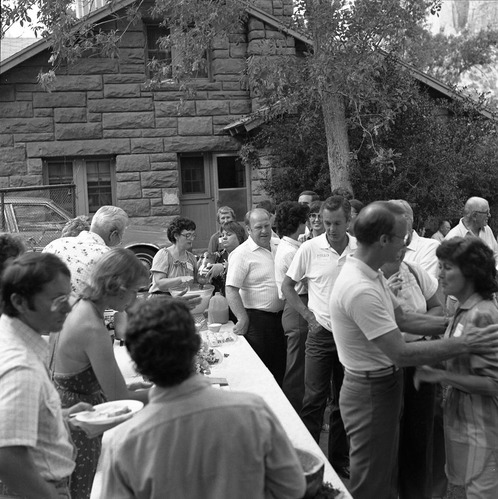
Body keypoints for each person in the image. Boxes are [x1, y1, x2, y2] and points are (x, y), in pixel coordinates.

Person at [329, 201, 498, 499]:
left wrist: (456, 323)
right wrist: (464, 342)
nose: (406, 245)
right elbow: (400, 353)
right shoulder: (360, 288)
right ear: (384, 240)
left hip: (384, 384)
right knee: (373, 478)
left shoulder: (371, 274)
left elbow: (404, 319)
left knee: (387, 467)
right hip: (371, 389)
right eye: (402, 238)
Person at [98, 298, 306, 499]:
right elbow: (292, 488)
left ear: (136, 365)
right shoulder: (252, 411)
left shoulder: (126, 442)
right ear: (197, 345)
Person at [49, 248, 150, 499]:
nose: (135, 298)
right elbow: (119, 398)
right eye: (135, 291)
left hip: (65, 412)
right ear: (118, 286)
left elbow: (82, 375)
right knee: (76, 491)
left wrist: (131, 389)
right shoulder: (93, 328)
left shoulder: (76, 304)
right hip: (78, 425)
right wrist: (171, 391)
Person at [0, 253, 92, 499]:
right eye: (57, 299)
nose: (68, 307)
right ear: (19, 302)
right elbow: (8, 456)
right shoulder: (22, 368)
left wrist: (62, 416)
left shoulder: (11, 336)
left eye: (68, 296)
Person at [415, 237, 498, 499]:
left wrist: (441, 375)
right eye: (440, 266)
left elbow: (493, 384)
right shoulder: (464, 310)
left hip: (486, 433)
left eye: (447, 267)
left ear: (471, 272)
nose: (439, 274)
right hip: (470, 430)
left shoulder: (482, 314)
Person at [282, 196, 353, 478]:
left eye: (337, 223)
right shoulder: (310, 248)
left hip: (351, 337)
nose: (331, 229)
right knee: (313, 399)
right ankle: (309, 463)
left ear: (349, 221)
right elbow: (287, 286)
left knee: (344, 402)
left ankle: (339, 460)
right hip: (321, 333)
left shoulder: (360, 249)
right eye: (326, 223)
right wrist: (308, 316)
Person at [381, 244, 443, 499]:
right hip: (386, 362)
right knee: (388, 437)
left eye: (404, 248)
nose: (401, 253)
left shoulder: (415, 272)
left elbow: (437, 306)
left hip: (418, 357)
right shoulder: (370, 279)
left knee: (420, 431)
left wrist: (420, 325)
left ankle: (416, 491)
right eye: (397, 246)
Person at [226, 208, 286, 385]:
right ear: (248, 229)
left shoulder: (280, 245)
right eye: (258, 227)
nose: (264, 231)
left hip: (282, 319)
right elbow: (231, 289)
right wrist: (242, 318)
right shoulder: (241, 254)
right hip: (258, 322)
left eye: (267, 226)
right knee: (262, 373)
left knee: (281, 368)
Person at [43, 205, 129, 294]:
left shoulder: (54, 244)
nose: (121, 240)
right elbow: (116, 294)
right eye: (121, 235)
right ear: (113, 235)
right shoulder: (107, 256)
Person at [274, 201, 309, 412]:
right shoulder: (290, 251)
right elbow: (307, 281)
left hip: (296, 306)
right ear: (299, 223)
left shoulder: (291, 247)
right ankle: (295, 412)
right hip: (296, 306)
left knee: (300, 365)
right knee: (297, 367)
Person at [149, 216, 198, 295]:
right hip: (162, 298)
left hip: (183, 298)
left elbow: (195, 282)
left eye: (193, 235)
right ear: (176, 236)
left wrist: (204, 276)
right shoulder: (164, 255)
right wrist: (180, 279)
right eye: (188, 235)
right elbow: (160, 283)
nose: (192, 239)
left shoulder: (191, 258)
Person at [445, 196, 498, 267]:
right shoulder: (453, 238)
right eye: (486, 212)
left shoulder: (487, 229)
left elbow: (496, 255)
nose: (489, 215)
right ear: (474, 216)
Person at [209, 220, 247, 297]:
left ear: (239, 238)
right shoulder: (219, 256)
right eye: (222, 235)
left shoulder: (246, 254)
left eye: (228, 234)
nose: (224, 237)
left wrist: (224, 267)